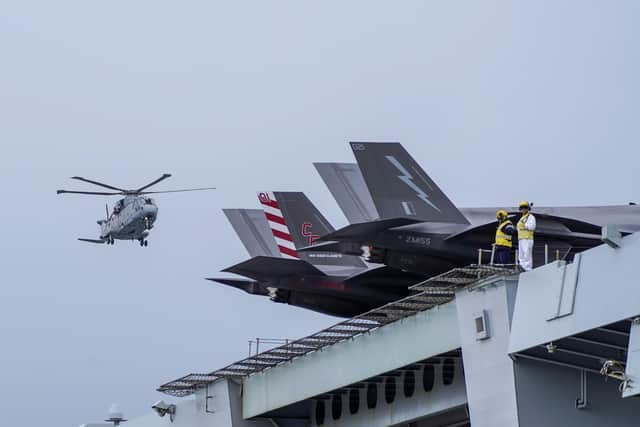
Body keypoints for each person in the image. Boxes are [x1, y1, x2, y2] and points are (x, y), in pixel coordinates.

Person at [517, 201, 536, 271]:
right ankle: (522, 268)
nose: (523, 209)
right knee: (521, 256)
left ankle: (528, 269)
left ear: (528, 208)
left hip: (527, 239)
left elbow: (532, 227)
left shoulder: (531, 217)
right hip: (521, 239)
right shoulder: (522, 218)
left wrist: (525, 224)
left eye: (525, 208)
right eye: (522, 208)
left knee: (527, 256)